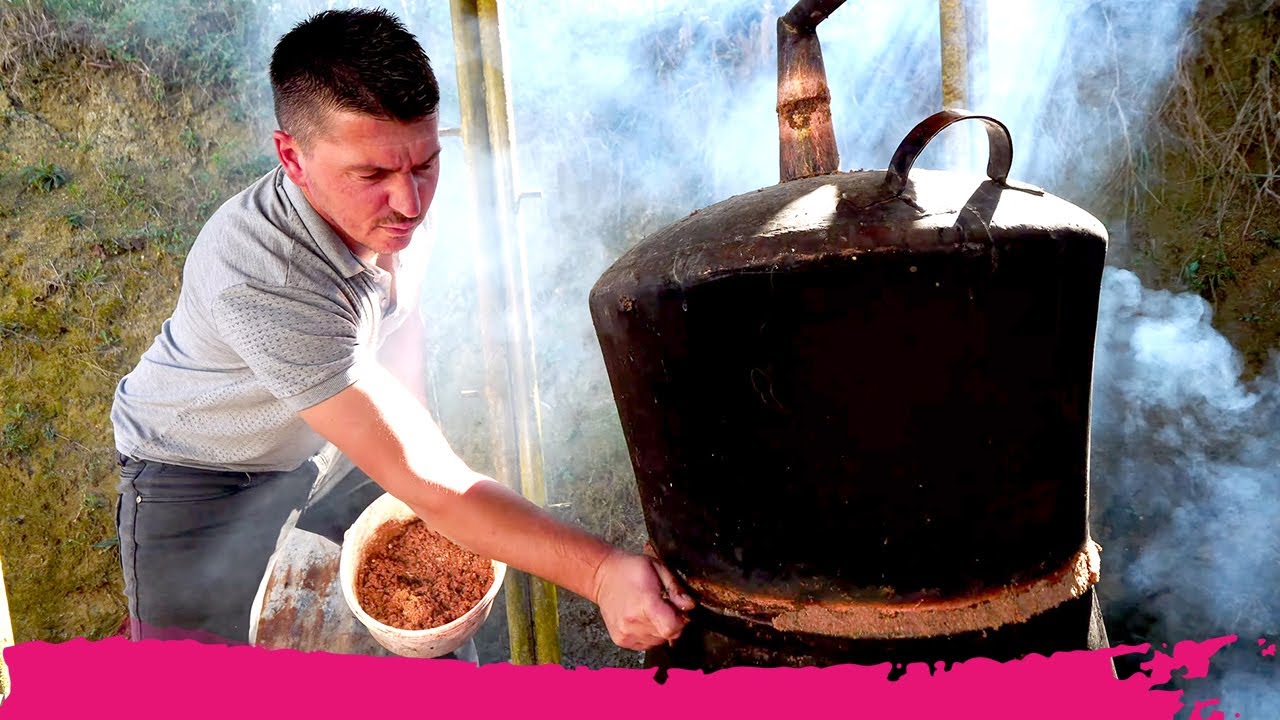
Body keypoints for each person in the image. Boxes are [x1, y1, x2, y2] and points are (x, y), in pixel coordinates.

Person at [110, 7, 693, 654]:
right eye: (373, 175)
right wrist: (599, 571)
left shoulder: (394, 206)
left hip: (324, 447)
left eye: (424, 165)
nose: (411, 203)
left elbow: (400, 314)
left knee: (412, 638)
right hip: (196, 475)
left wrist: (412, 435)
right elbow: (425, 477)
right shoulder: (260, 275)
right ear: (291, 157)